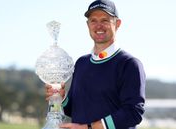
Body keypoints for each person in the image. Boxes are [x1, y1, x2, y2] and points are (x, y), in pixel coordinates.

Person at [45, 0, 146, 129]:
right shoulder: (82, 63)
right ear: (88, 25)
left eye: (105, 20)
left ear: (117, 24)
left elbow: (133, 113)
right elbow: (72, 110)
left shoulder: (129, 64)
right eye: (93, 20)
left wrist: (90, 128)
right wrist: (60, 97)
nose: (99, 26)